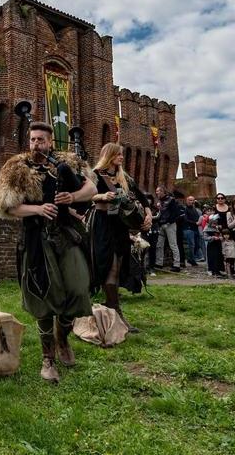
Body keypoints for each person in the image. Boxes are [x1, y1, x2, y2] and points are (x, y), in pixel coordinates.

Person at [0, 121, 97, 383]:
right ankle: (47, 357)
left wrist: (73, 198)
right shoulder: (17, 168)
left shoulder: (69, 162)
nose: (36, 144)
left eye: (41, 139)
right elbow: (6, 207)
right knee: (43, 294)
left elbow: (92, 189)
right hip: (36, 238)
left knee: (77, 287)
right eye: (32, 140)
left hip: (66, 233)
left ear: (50, 141)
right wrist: (37, 210)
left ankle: (62, 338)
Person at [87, 142, 152, 333]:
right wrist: (101, 197)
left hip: (120, 226)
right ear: (109, 155)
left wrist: (148, 214)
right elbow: (84, 197)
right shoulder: (94, 174)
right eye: (118, 154)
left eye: (122, 154)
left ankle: (112, 309)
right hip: (102, 224)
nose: (122, 157)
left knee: (118, 267)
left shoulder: (124, 177)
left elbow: (143, 197)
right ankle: (116, 313)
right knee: (109, 268)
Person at [153, 186, 185, 272]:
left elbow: (176, 213)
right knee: (159, 245)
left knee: (173, 244)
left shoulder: (171, 200)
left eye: (158, 191)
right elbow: (160, 214)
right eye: (156, 191)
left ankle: (176, 264)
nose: (156, 193)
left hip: (169, 225)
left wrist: (169, 221)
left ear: (163, 191)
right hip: (161, 225)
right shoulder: (160, 201)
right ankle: (159, 263)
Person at [182, 195, 205, 265]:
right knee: (191, 245)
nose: (191, 202)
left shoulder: (194, 209)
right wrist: (195, 223)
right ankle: (192, 260)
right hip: (188, 229)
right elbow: (185, 220)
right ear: (187, 201)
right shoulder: (185, 209)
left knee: (197, 245)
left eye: (192, 200)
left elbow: (197, 218)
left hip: (195, 229)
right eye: (190, 200)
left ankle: (191, 258)